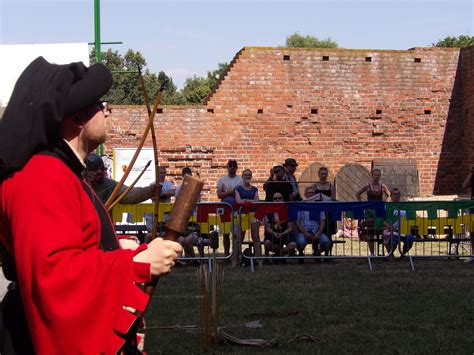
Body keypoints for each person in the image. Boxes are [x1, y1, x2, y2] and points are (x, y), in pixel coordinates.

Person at [0, 57, 182, 354]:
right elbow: (53, 275)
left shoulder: (62, 171)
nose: (107, 111)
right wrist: (135, 265)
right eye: (100, 105)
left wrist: (116, 249)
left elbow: (73, 247)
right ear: (78, 119)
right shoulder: (41, 176)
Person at [86, 153, 158, 205]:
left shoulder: (109, 185)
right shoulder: (77, 184)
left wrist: (150, 190)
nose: (99, 171)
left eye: (102, 168)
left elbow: (129, 194)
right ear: (85, 171)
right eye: (94, 168)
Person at [355, 168, 391, 255]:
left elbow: (389, 195)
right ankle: (372, 253)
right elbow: (357, 194)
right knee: (370, 231)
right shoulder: (368, 186)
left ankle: (389, 252)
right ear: (372, 175)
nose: (377, 177)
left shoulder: (383, 186)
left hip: (380, 210)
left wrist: (386, 203)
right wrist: (362, 204)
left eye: (378, 175)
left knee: (382, 230)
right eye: (375, 175)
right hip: (370, 211)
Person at [295, 186, 331, 263]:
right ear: (305, 195)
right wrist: (305, 233)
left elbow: (322, 221)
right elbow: (297, 222)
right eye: (309, 193)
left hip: (316, 231)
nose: (311, 195)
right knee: (300, 242)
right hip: (304, 231)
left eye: (313, 193)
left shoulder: (318, 206)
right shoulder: (301, 205)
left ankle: (317, 253)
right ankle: (301, 254)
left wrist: (318, 233)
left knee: (326, 242)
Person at [216, 159, 243, 257]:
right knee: (225, 233)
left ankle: (235, 253)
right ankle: (226, 254)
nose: (232, 167)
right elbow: (219, 195)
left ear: (236, 167)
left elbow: (241, 194)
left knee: (236, 233)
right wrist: (231, 192)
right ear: (227, 167)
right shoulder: (222, 180)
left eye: (234, 166)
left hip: (236, 210)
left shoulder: (240, 180)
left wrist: (228, 193)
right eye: (230, 166)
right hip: (225, 210)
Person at [235, 169, 262, 265]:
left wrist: (245, 200)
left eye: (249, 175)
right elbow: (238, 201)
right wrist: (250, 201)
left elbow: (257, 201)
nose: (247, 176)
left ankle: (259, 259)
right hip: (242, 214)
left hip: (253, 214)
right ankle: (236, 260)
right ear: (242, 176)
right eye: (246, 175)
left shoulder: (254, 189)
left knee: (256, 237)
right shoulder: (238, 189)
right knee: (239, 238)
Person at [263, 192, 296, 262]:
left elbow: (290, 228)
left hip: (285, 233)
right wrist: (274, 233)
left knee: (293, 245)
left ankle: (280, 254)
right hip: (273, 233)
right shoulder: (268, 211)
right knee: (267, 243)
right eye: (275, 199)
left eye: (279, 198)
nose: (277, 200)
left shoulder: (288, 210)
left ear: (283, 199)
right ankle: (268, 257)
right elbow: (267, 228)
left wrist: (282, 234)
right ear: (272, 200)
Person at [382, 188, 414, 257]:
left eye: (398, 194)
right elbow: (382, 220)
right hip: (391, 229)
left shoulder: (405, 206)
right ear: (391, 196)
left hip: (404, 230)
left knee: (410, 239)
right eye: (395, 194)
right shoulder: (387, 207)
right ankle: (391, 255)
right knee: (392, 238)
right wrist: (390, 228)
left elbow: (410, 218)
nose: (397, 196)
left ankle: (403, 255)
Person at [462, 167, 474, 263]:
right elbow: (464, 185)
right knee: (473, 231)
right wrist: (471, 173)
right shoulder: (472, 176)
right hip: (473, 205)